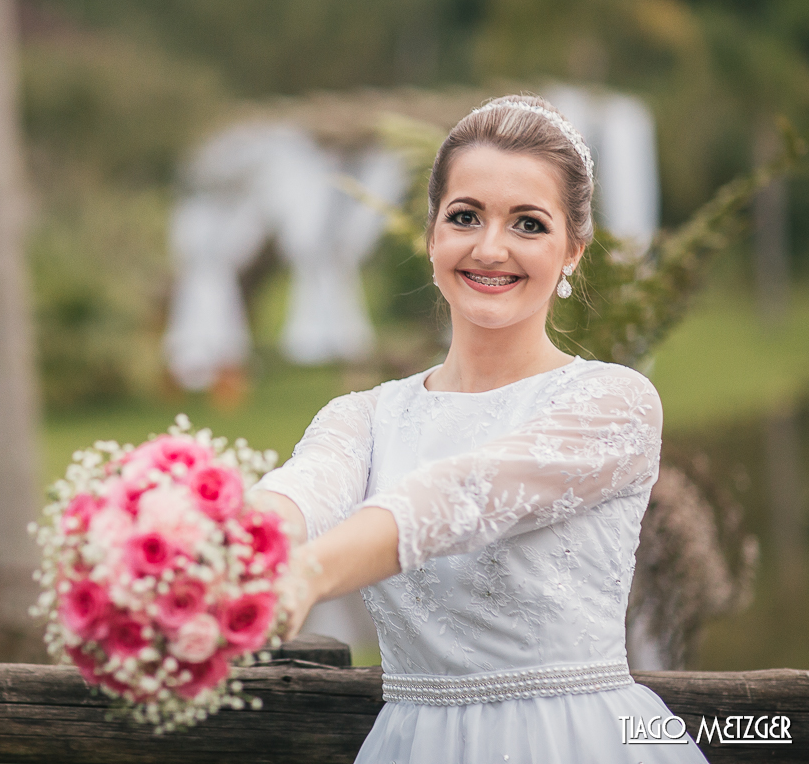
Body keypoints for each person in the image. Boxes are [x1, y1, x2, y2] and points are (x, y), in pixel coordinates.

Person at [252, 95, 709, 763]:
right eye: (465, 217)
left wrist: (309, 577)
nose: (490, 248)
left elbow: (460, 496)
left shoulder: (615, 403)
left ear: (573, 252)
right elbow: (300, 494)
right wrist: (225, 547)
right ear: (434, 235)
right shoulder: (363, 417)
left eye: (528, 223)